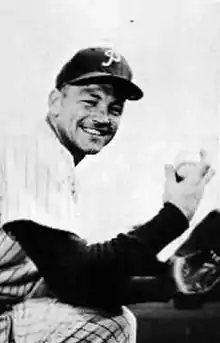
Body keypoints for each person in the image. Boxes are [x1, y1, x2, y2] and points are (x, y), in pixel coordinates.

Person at [0, 46, 214, 342]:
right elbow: (77, 277)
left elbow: (70, 283)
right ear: (55, 102)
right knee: (110, 325)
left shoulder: (51, 161)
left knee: (108, 320)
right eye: (90, 101)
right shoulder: (31, 153)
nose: (102, 117)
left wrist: (167, 281)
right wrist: (175, 215)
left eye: (114, 109)